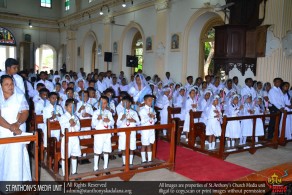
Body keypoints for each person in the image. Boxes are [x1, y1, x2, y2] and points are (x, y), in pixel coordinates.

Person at [0, 75, 31, 181]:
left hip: (17, 130)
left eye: (12, 84)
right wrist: (10, 127)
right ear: (1, 86)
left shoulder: (19, 96)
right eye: (6, 84)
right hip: (3, 130)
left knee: (16, 155)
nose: (10, 86)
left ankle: (17, 182)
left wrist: (17, 124)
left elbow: (25, 112)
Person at [92, 96, 114, 173]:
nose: (103, 105)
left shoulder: (109, 113)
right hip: (99, 134)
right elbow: (93, 125)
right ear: (98, 103)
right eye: (101, 103)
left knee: (106, 150)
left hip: (107, 133)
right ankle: (95, 167)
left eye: (104, 103)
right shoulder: (95, 113)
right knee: (97, 151)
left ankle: (105, 167)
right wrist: (98, 119)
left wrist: (109, 121)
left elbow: (112, 123)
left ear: (107, 104)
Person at [59, 99, 81, 176]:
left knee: (74, 155)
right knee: (65, 156)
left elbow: (78, 128)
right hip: (66, 139)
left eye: (74, 107)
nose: (72, 109)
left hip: (75, 138)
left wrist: (74, 124)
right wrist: (69, 123)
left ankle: (74, 172)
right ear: (65, 107)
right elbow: (63, 128)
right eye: (70, 107)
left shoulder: (76, 117)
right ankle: (65, 173)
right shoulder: (63, 117)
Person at [117, 96, 140, 166]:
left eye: (126, 102)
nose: (124, 104)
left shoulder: (134, 112)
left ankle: (130, 162)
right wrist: (121, 119)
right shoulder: (121, 113)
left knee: (131, 148)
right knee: (123, 148)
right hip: (123, 133)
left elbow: (139, 123)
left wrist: (134, 120)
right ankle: (124, 163)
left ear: (130, 103)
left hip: (132, 133)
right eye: (123, 103)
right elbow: (117, 124)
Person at [139, 95, 157, 163]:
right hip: (145, 130)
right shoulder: (142, 110)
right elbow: (142, 121)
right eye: (149, 100)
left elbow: (155, 120)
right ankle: (143, 160)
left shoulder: (152, 109)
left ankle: (149, 159)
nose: (151, 102)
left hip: (151, 129)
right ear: (145, 101)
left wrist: (154, 117)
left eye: (152, 100)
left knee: (149, 144)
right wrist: (149, 117)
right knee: (144, 144)